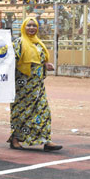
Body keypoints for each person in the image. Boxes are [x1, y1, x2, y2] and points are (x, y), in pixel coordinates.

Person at [8, 17, 62, 152]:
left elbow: (40, 60)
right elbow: (11, 62)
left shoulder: (38, 43)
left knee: (43, 111)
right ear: (23, 28)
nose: (31, 28)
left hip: (37, 86)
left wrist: (46, 65)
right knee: (22, 112)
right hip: (22, 87)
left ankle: (45, 140)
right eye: (28, 25)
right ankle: (15, 139)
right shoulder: (19, 43)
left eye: (34, 25)